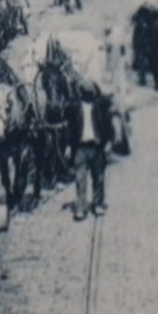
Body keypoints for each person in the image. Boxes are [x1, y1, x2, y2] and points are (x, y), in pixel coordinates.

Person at [69, 83, 114, 220]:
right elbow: (70, 129)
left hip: (97, 147)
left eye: (91, 93)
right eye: (85, 92)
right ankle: (81, 208)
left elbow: (108, 125)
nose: (88, 95)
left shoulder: (100, 107)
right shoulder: (75, 108)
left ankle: (98, 204)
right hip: (80, 148)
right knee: (80, 178)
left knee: (99, 178)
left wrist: (109, 142)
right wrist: (68, 146)